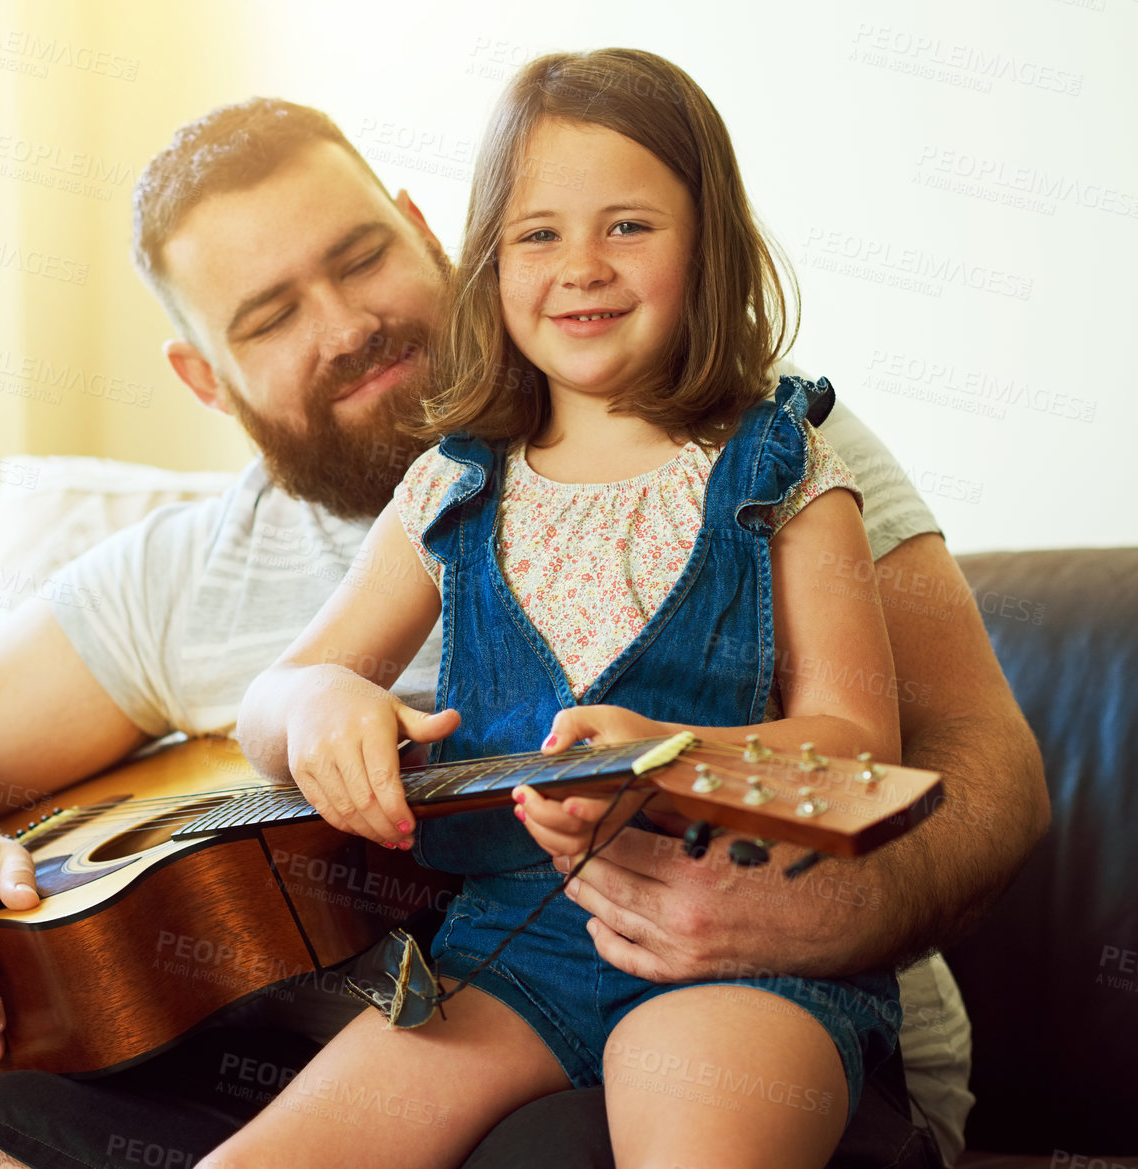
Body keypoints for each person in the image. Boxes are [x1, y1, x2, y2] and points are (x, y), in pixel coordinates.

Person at [0, 87, 1047, 1169]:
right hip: (478, 991)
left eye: (358, 257)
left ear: (430, 232)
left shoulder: (771, 449)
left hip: (753, 1029)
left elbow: (985, 778)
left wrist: (831, 907)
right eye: (270, 316)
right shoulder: (217, 563)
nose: (344, 326)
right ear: (204, 380)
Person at [220, 47, 925, 1169]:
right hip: (504, 954)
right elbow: (264, 704)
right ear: (488, 264)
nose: (579, 267)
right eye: (537, 234)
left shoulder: (784, 466)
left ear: (710, 245)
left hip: (736, 950)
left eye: (629, 226)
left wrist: (675, 754)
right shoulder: (453, 484)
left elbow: (857, 754)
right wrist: (311, 705)